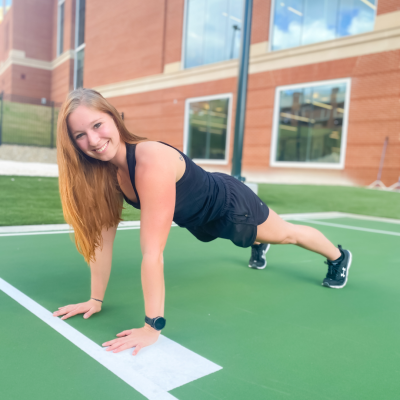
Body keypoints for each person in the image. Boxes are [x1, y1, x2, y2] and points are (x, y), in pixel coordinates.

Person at [52, 88, 352, 356]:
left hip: (230, 206)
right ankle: (258, 242)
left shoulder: (149, 160)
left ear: (115, 119)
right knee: (258, 236)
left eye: (97, 125)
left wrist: (152, 326)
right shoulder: (108, 176)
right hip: (199, 220)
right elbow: (102, 241)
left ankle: (338, 257)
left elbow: (152, 253)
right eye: (80, 135)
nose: (93, 140)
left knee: (287, 234)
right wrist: (95, 299)